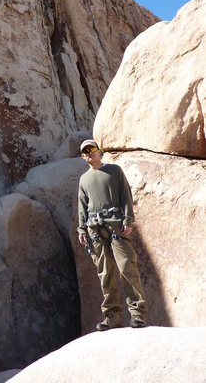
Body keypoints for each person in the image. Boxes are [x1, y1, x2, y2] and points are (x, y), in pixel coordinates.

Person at [77, 139, 147, 331]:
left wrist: (128, 220)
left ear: (99, 151)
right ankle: (112, 317)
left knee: (126, 267)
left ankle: (138, 313)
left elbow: (126, 195)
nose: (89, 153)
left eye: (92, 149)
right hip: (95, 231)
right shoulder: (84, 179)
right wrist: (82, 229)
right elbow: (82, 206)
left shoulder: (114, 171)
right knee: (105, 273)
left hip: (116, 226)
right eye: (85, 152)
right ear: (83, 157)